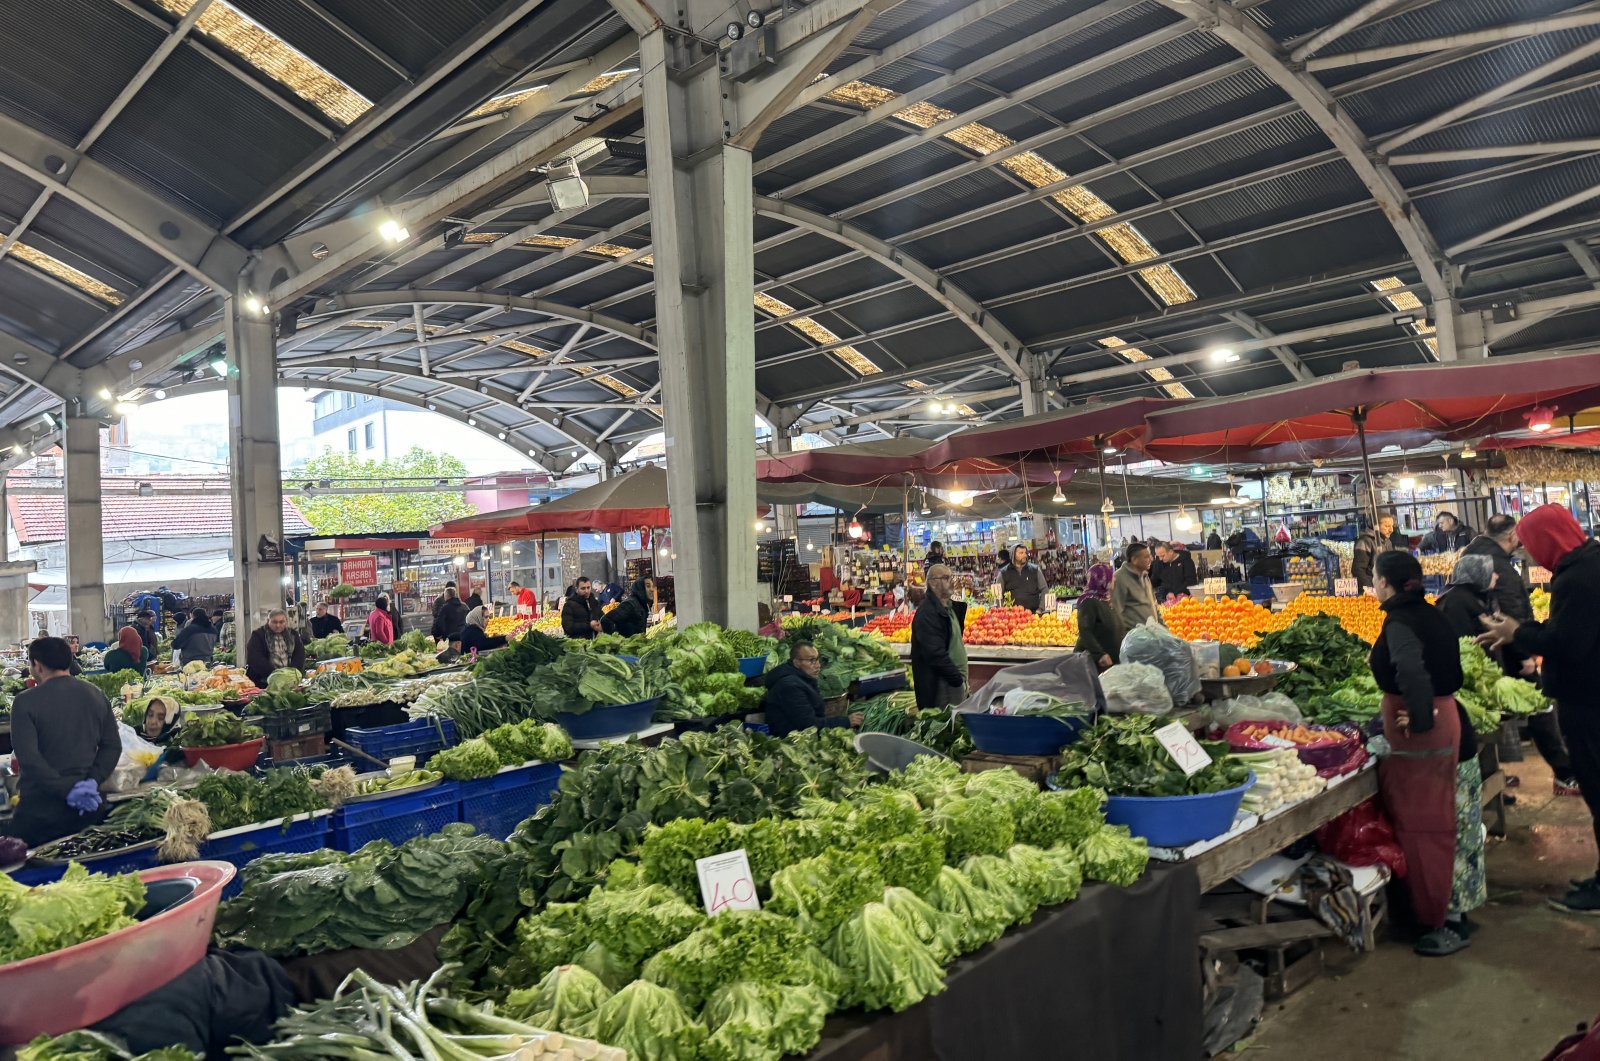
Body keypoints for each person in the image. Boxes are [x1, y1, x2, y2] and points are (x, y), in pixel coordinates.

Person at [1480, 505, 1600, 913]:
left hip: (1589, 703)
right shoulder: (1589, 564)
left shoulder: (1579, 579)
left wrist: (1519, 633)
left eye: (1531, 545)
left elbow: (1567, 643)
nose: (1527, 555)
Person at [1369, 551, 1469, 955]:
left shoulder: (1400, 620)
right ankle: (1444, 913)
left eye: (1375, 578)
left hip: (1420, 729)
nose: (1373, 584)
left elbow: (1410, 668)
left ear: (1386, 584)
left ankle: (1440, 921)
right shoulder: (1431, 613)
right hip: (1440, 717)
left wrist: (1419, 717)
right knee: (1434, 820)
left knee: (1424, 826)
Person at [1, 638, 121, 846]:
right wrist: (92, 781)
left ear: (37, 665)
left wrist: (66, 790)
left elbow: (29, 759)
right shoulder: (95, 694)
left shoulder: (25, 702)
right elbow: (112, 746)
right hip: (88, 810)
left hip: (41, 814)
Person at [764, 641, 863, 737]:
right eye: (811, 660)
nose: (818, 665)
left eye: (817, 660)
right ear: (796, 662)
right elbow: (808, 725)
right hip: (791, 742)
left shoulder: (802, 678)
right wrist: (845, 721)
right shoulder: (790, 686)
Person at [911, 564, 968, 708]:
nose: (952, 581)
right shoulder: (927, 614)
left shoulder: (950, 608)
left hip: (953, 681)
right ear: (933, 583)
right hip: (942, 685)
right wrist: (957, 680)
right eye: (946, 578)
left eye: (951, 577)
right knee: (946, 725)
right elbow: (935, 654)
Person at [1435, 555, 1498, 642]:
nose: (1496, 576)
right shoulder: (1457, 601)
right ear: (1477, 574)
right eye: (1490, 572)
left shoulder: (1471, 595)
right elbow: (1465, 642)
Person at [1074, 563, 1123, 672]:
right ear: (1102, 579)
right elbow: (1085, 630)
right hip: (1096, 665)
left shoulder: (1106, 599)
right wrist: (1099, 654)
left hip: (1111, 662)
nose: (1114, 579)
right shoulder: (1088, 601)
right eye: (1111, 576)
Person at [244, 609, 307, 688]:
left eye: (281, 622)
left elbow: (300, 655)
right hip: (263, 682)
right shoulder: (258, 635)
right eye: (274, 622)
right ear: (268, 621)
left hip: (289, 682)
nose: (278, 625)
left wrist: (290, 674)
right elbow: (254, 658)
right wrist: (275, 675)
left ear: (286, 622)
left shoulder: (293, 635)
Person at [1112, 541, 1164, 630]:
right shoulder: (1119, 578)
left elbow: (1154, 604)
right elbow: (1116, 612)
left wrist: (1163, 628)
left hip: (1151, 634)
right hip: (1135, 637)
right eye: (1146, 557)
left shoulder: (1145, 576)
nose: (1151, 559)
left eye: (1150, 556)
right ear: (1134, 560)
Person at [1353, 511, 1408, 590]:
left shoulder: (1387, 541)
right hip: (1373, 589)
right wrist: (1370, 589)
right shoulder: (1365, 542)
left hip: (1385, 587)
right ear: (1376, 526)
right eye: (1387, 526)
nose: (1391, 530)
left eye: (1392, 526)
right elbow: (1358, 570)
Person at [1001, 544, 1048, 612]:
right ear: (1013, 555)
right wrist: (1003, 611)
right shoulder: (1003, 573)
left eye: (1025, 553)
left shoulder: (1035, 570)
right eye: (1021, 553)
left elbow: (1044, 589)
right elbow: (998, 595)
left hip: (1034, 615)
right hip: (1012, 617)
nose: (1025, 555)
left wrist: (1040, 609)